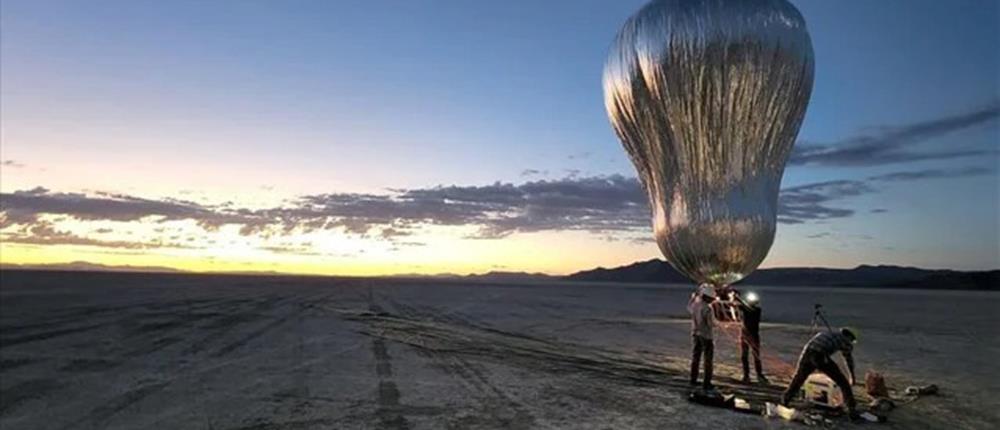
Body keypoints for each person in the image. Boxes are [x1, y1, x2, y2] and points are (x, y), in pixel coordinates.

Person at [781, 327, 859, 415]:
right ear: (849, 337)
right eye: (851, 340)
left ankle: (786, 399)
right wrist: (852, 376)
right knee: (842, 381)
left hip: (807, 352)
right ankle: (851, 408)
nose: (851, 342)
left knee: (799, 378)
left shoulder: (831, 333)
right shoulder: (845, 341)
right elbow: (848, 360)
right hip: (819, 355)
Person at [687, 284, 716, 390]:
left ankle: (693, 379)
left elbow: (689, 308)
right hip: (706, 336)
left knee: (696, 357)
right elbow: (711, 324)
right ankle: (707, 383)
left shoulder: (696, 304)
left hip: (695, 334)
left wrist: (693, 298)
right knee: (708, 360)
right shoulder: (708, 308)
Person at [736, 292, 768, 384]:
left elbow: (744, 307)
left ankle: (758, 374)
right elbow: (739, 305)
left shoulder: (756, 310)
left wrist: (737, 297)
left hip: (753, 335)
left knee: (756, 356)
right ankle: (747, 375)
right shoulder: (748, 309)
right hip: (746, 335)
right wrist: (734, 296)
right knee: (745, 356)